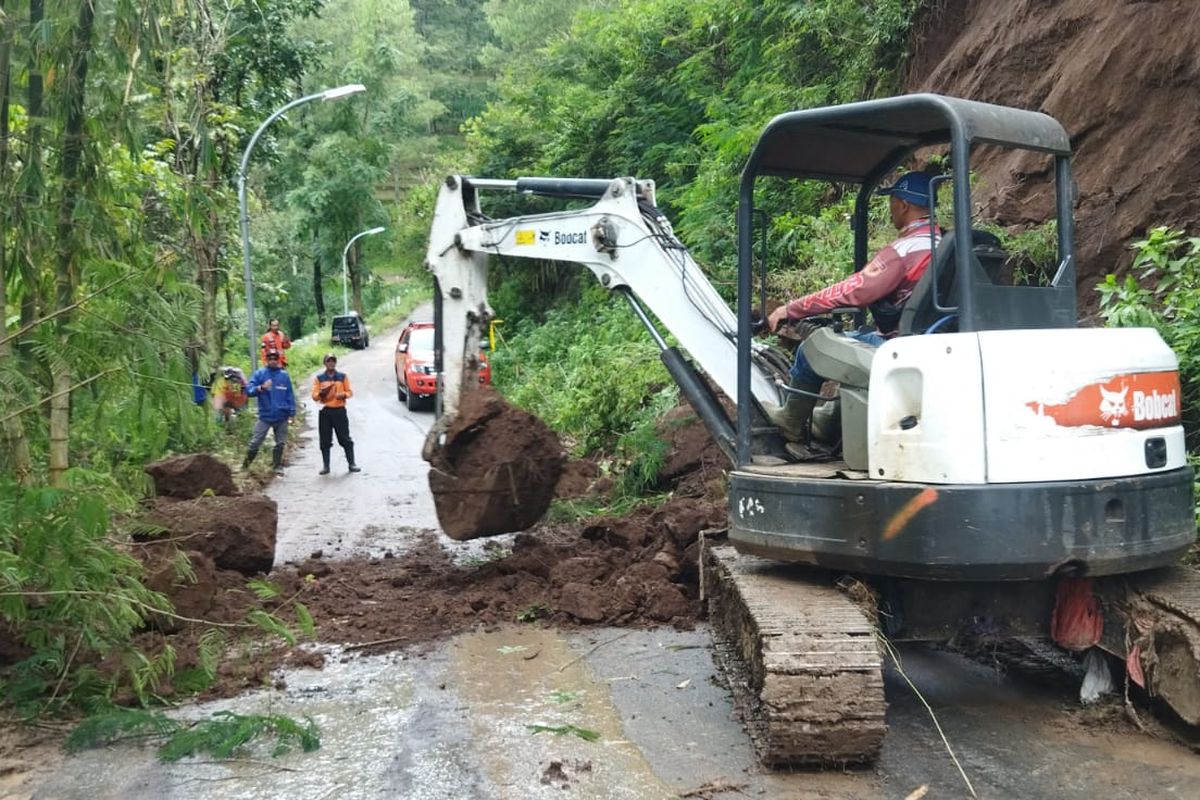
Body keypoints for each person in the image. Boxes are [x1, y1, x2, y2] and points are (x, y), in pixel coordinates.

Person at [766, 171, 941, 442]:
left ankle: (790, 419)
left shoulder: (904, 251)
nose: (890, 208)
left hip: (897, 348)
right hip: (934, 344)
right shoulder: (945, 243)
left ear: (903, 205)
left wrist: (791, 309)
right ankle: (830, 421)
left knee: (815, 347)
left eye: (892, 201)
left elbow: (853, 291)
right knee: (856, 340)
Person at [242, 349, 296, 474]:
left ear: (278, 360)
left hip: (282, 415)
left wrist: (292, 413)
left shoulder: (284, 375)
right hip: (265, 416)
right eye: (270, 358)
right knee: (255, 442)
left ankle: (276, 465)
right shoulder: (259, 374)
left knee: (280, 443)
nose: (272, 361)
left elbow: (290, 395)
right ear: (266, 359)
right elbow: (249, 391)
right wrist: (261, 387)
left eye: (275, 358)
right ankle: (245, 466)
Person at [311, 353, 361, 475]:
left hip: (339, 411)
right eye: (328, 361)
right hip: (325, 411)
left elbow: (349, 392)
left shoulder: (342, 376)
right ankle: (326, 466)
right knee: (325, 440)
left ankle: (351, 463)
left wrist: (343, 395)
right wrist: (321, 394)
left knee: (345, 438)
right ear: (325, 363)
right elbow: (314, 396)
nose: (331, 363)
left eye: (333, 361)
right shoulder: (319, 378)